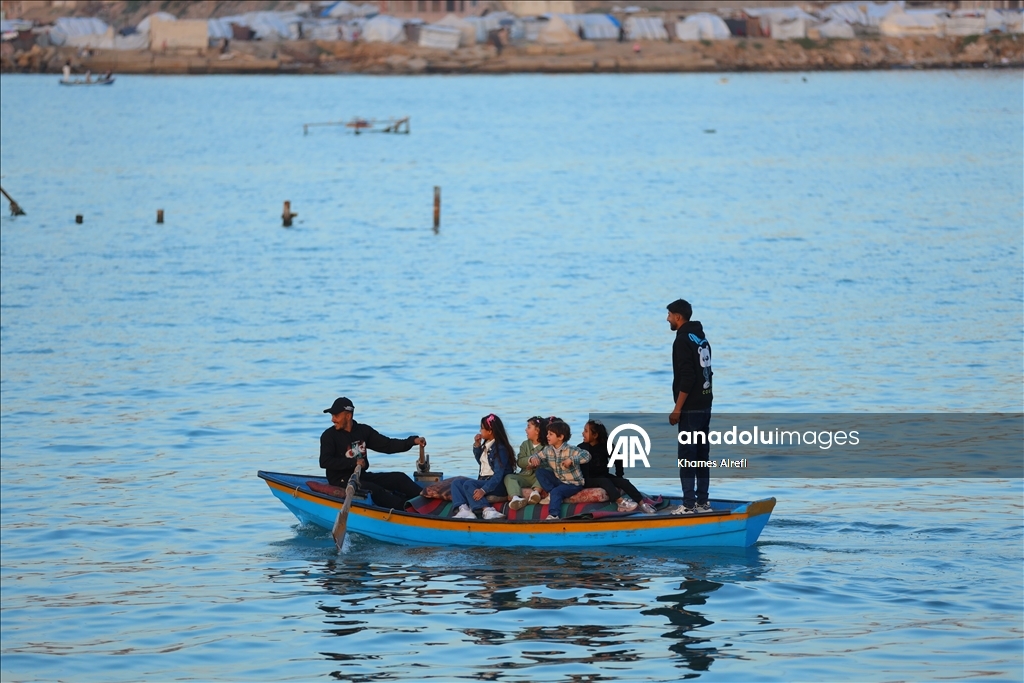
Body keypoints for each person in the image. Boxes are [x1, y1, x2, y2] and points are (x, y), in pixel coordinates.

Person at [319, 397, 426, 509]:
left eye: (336, 415)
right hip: (341, 480)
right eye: (332, 416)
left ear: (348, 416)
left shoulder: (364, 431)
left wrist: (412, 441)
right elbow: (324, 461)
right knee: (374, 490)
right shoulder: (329, 436)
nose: (333, 419)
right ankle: (407, 511)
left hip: (362, 476)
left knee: (399, 478)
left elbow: (388, 445)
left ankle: (428, 501)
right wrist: (353, 463)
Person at [666, 299, 714, 514]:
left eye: (669, 315)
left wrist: (677, 409)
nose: (667, 319)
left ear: (678, 317)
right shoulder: (700, 338)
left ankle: (687, 505)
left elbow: (687, 378)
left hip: (690, 409)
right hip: (705, 405)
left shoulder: (682, 341)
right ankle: (703, 503)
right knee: (702, 456)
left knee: (687, 456)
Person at [579, 420, 656, 514]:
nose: (583, 433)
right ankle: (620, 502)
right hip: (587, 479)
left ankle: (642, 504)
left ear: (595, 435)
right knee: (603, 480)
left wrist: (619, 475)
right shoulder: (580, 448)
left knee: (624, 482)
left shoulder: (606, 446)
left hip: (603, 475)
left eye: (586, 431)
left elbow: (618, 459)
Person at [452, 414, 516, 520]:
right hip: (484, 480)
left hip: (497, 485)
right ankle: (464, 510)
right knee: (457, 482)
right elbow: (483, 464)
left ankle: (488, 510)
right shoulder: (487, 445)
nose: (480, 431)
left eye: (482, 428)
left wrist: (483, 490)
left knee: (469, 484)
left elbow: (498, 475)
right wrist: (477, 446)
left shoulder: (500, 448)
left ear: (490, 431)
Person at [529, 420, 590, 520]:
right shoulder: (548, 449)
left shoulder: (571, 449)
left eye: (551, 434)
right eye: (547, 433)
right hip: (559, 480)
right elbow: (538, 455)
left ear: (560, 437)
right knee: (540, 472)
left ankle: (554, 515)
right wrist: (533, 459)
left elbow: (587, 455)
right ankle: (552, 493)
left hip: (573, 484)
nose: (547, 436)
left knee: (557, 492)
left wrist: (572, 460)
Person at [505, 416, 549, 510]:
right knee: (509, 477)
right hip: (525, 476)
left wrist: (537, 463)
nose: (526, 429)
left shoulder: (546, 446)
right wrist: (529, 460)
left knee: (546, 473)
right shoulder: (525, 444)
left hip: (538, 477)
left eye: (529, 427)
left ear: (537, 431)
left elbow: (549, 463)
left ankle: (536, 493)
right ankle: (516, 498)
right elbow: (520, 461)